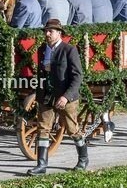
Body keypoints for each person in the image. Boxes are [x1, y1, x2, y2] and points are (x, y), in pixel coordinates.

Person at [27, 19, 88, 175]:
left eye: (51, 31)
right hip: (46, 95)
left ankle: (83, 159)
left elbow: (77, 77)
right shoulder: (42, 49)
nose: (47, 34)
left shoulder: (69, 50)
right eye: (46, 31)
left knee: (72, 129)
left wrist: (66, 97)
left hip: (65, 96)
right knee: (43, 128)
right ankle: (41, 165)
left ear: (59, 33)